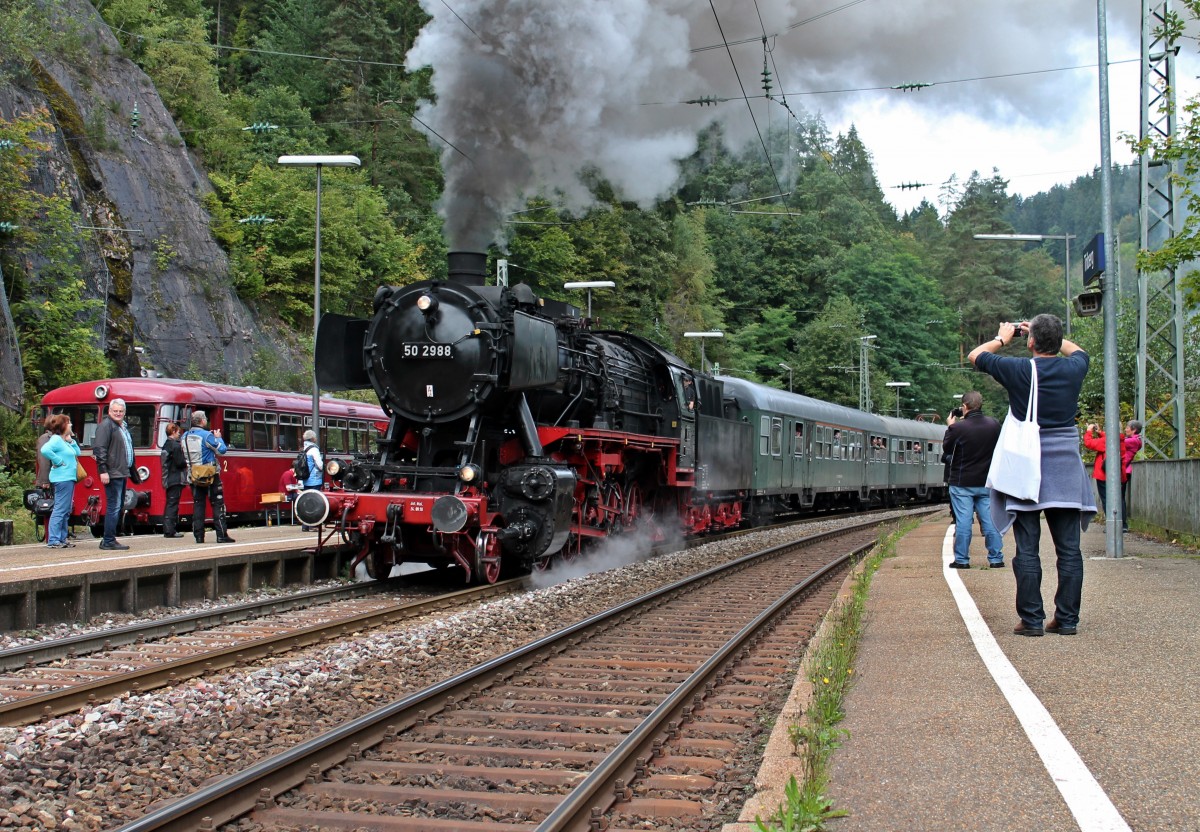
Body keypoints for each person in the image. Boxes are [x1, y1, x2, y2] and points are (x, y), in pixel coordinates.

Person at [970, 314, 1094, 637]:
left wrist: (1003, 337)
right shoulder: (1074, 369)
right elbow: (1079, 351)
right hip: (1065, 469)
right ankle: (1067, 620)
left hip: (1027, 468)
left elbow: (976, 355)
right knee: (1069, 550)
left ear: (1031, 343)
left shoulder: (1021, 370)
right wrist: (1045, 333)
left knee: (1027, 548)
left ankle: (1032, 619)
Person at [942, 391, 1004, 568]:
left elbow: (947, 448)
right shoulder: (994, 425)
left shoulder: (958, 428)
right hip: (986, 482)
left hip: (962, 483)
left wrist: (950, 426)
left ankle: (962, 560)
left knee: (963, 521)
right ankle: (996, 558)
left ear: (964, 407)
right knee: (990, 521)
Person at [184, 411, 235, 544]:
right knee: (217, 503)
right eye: (205, 418)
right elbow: (222, 450)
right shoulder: (207, 436)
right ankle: (221, 535)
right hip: (210, 474)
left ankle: (199, 536)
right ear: (202, 421)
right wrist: (218, 437)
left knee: (198, 505)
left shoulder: (184, 436)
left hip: (193, 475)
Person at [93, 399, 136, 551]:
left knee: (117, 506)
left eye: (121, 411)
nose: (118, 413)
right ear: (109, 411)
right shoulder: (106, 426)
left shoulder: (121, 426)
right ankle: (108, 540)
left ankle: (109, 538)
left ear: (124, 412)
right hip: (113, 472)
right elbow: (99, 449)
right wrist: (103, 470)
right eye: (115, 411)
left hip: (121, 471)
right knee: (114, 506)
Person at [38, 414, 81, 549]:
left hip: (68, 478)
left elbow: (77, 453)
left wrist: (71, 440)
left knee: (66, 509)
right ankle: (54, 539)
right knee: (60, 509)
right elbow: (45, 450)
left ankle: (62, 538)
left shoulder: (63, 441)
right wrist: (57, 461)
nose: (71, 425)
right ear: (63, 426)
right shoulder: (56, 439)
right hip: (62, 478)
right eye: (69, 423)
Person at [1082, 422, 1123, 527]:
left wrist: (1089, 431)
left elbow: (1089, 443)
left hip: (1104, 475)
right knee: (1119, 499)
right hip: (1117, 475)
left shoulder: (1108, 441)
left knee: (1107, 500)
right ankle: (1122, 524)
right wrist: (1100, 433)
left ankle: (1111, 524)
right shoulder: (1120, 439)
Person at [160, 423, 188, 538]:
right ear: (173, 432)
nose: (179, 434)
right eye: (177, 432)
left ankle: (168, 528)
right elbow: (180, 462)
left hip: (168, 478)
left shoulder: (166, 444)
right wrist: (186, 460)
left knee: (170, 503)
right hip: (176, 478)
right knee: (173, 504)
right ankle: (170, 530)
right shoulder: (175, 446)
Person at [1121, 420, 1143, 532]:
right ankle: (1121, 524)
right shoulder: (1136, 440)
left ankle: (1122, 524)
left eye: (1127, 427)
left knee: (1119, 498)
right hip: (1126, 470)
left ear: (1134, 429)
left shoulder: (1133, 441)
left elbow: (1116, 442)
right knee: (1120, 497)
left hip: (1123, 471)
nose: (1126, 429)